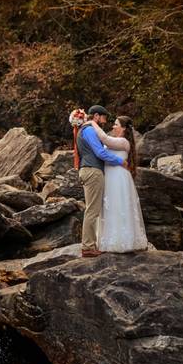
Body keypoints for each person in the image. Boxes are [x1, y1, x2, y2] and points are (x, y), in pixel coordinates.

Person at [87, 115, 149, 253]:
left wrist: (91, 122)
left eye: (116, 124)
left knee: (119, 206)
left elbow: (104, 139)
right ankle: (109, 240)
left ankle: (123, 241)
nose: (113, 127)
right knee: (110, 206)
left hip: (119, 178)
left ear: (124, 128)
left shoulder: (123, 142)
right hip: (109, 177)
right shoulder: (116, 140)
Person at [75, 105, 125, 257]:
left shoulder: (84, 129)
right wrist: (119, 161)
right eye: (103, 118)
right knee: (92, 210)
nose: (104, 121)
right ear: (96, 116)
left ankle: (89, 245)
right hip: (93, 171)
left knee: (92, 209)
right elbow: (100, 152)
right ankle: (88, 247)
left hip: (87, 170)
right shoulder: (89, 130)